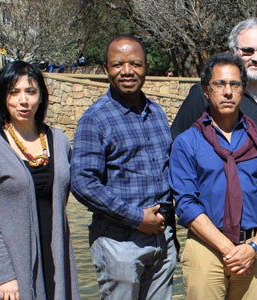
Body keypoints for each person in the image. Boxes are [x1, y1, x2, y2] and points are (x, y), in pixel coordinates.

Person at [170, 18, 257, 300]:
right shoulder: (191, 134)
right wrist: (228, 249)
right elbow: (185, 197)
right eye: (220, 84)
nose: (228, 91)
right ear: (207, 90)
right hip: (207, 242)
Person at [70, 35, 176, 299]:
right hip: (119, 242)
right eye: (118, 64)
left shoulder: (157, 113)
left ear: (146, 68)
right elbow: (83, 183)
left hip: (162, 239)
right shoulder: (95, 119)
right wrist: (137, 218)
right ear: (106, 69)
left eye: (135, 64)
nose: (127, 71)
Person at [0, 61, 80, 300]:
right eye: (14, 92)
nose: (24, 100)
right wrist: (4, 275)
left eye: (30, 92)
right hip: (13, 267)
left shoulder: (60, 141)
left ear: (41, 97)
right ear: (3, 98)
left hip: (56, 260)